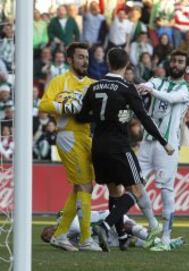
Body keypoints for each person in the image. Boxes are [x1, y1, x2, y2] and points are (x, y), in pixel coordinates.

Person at [76, 47, 175, 252]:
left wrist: (102, 116)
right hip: (119, 146)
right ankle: (107, 225)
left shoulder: (94, 87)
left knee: (115, 190)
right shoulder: (126, 87)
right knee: (136, 188)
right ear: (127, 63)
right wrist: (164, 142)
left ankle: (121, 236)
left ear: (108, 62)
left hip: (98, 146)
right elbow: (145, 118)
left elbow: (81, 117)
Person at [39, 42, 101, 252]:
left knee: (83, 186)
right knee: (84, 185)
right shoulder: (60, 81)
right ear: (70, 60)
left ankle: (60, 235)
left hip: (86, 136)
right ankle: (85, 238)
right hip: (68, 136)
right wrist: (64, 106)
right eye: (81, 57)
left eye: (86, 57)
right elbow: (43, 104)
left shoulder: (93, 83)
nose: (85, 60)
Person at [136, 50, 189, 251]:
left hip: (167, 147)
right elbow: (150, 84)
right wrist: (144, 87)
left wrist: (150, 91)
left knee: (166, 190)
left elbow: (171, 99)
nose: (176, 64)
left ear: (185, 67)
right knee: (133, 182)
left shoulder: (188, 88)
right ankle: (154, 225)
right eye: (174, 60)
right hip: (146, 142)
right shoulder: (157, 80)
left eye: (180, 61)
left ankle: (166, 239)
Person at [41, 210, 185, 250]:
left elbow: (78, 228)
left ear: (51, 226)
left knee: (127, 226)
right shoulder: (65, 241)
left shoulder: (63, 218)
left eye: (47, 233)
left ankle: (162, 242)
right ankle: (166, 243)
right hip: (106, 240)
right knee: (134, 242)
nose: (50, 236)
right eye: (47, 239)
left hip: (105, 219)